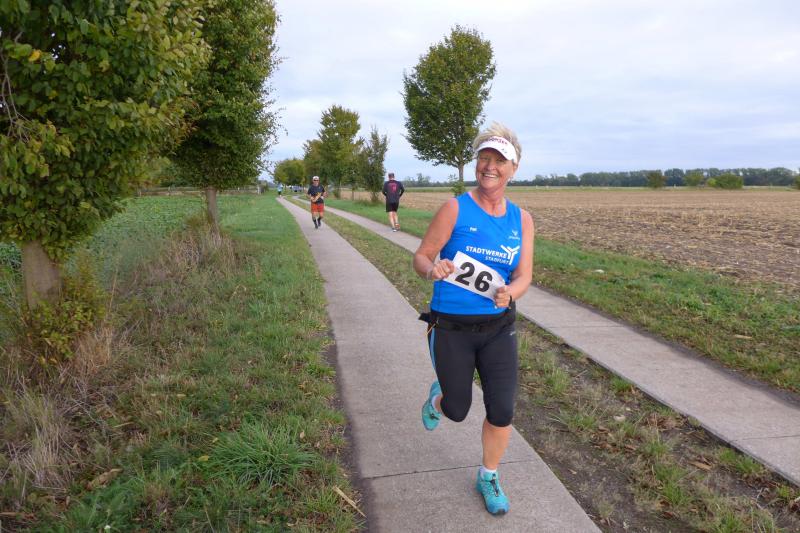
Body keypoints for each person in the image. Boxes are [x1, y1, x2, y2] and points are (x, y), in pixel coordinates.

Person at [412, 122, 534, 516]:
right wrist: (432, 269)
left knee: (502, 410)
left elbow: (524, 276)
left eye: (500, 160)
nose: (490, 166)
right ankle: (439, 398)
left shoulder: (522, 220)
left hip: (499, 328)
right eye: (484, 158)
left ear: (513, 169)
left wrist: (511, 292)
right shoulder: (455, 208)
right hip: (451, 327)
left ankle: (488, 475)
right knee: (457, 409)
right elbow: (421, 256)